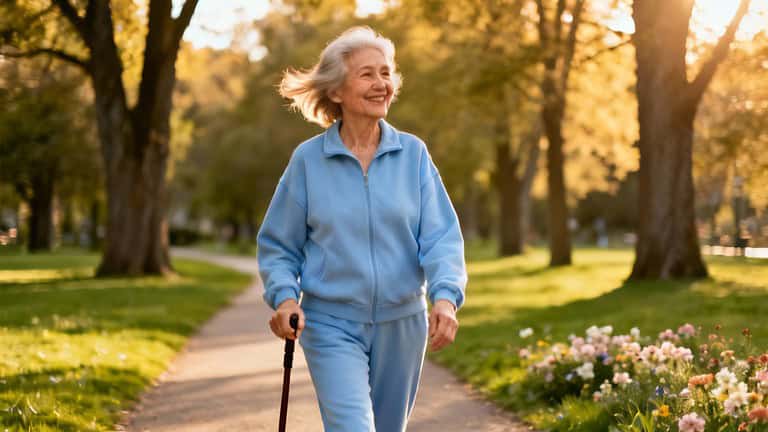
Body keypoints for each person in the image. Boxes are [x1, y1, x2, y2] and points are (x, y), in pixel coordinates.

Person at [257, 26, 467, 432]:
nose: (382, 84)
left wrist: (445, 299)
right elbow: (280, 245)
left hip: (403, 324)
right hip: (331, 322)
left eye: (386, 73)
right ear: (336, 91)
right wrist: (284, 299)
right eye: (367, 74)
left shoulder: (413, 155)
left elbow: (441, 237)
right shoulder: (308, 161)